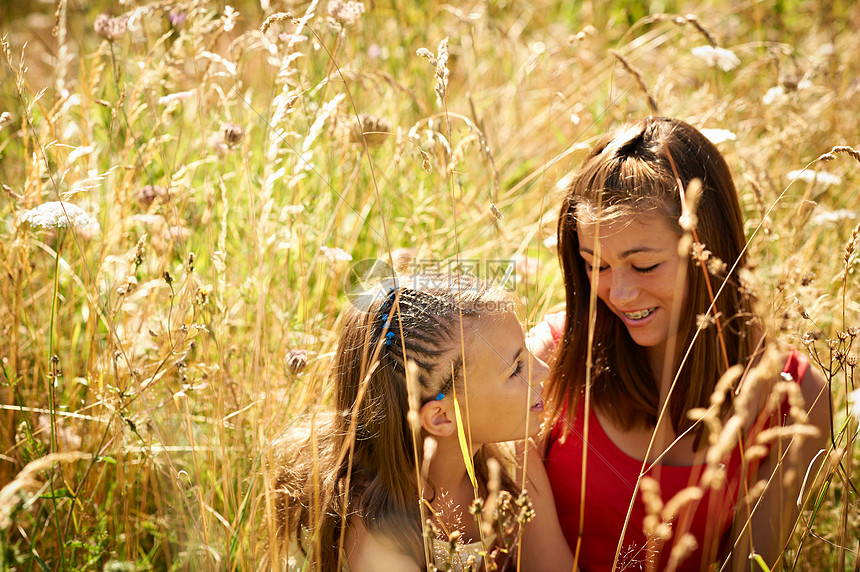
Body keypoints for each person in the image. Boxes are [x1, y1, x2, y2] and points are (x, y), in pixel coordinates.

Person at [528, 117, 830, 571]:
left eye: (645, 266)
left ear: (708, 252)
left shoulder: (795, 397)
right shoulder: (544, 362)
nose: (618, 294)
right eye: (596, 265)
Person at [273, 274, 574, 571]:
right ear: (441, 417)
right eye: (515, 368)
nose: (544, 370)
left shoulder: (513, 459)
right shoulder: (373, 527)